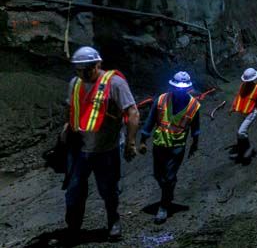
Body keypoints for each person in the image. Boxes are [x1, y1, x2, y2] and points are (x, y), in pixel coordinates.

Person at [61, 46, 139, 242]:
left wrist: (130, 143)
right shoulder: (75, 83)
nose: (83, 74)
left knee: (108, 189)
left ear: (98, 64)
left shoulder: (115, 83)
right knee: (74, 190)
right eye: (78, 70)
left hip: (106, 148)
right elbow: (71, 108)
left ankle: (113, 221)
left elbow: (133, 113)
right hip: (79, 147)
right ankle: (73, 228)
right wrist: (67, 128)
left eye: (87, 69)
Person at [138, 71, 200, 224]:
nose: (180, 92)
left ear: (188, 89)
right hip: (159, 144)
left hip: (177, 147)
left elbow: (196, 127)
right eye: (177, 89)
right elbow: (150, 121)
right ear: (172, 87)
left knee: (169, 177)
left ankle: (163, 207)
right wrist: (143, 140)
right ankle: (169, 190)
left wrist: (195, 144)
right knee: (158, 175)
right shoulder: (160, 100)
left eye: (183, 89)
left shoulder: (194, 106)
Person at [229, 68, 257, 162]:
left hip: (251, 112)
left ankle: (249, 147)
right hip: (241, 111)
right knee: (239, 132)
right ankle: (241, 151)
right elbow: (238, 97)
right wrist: (233, 107)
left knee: (241, 132)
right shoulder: (242, 86)